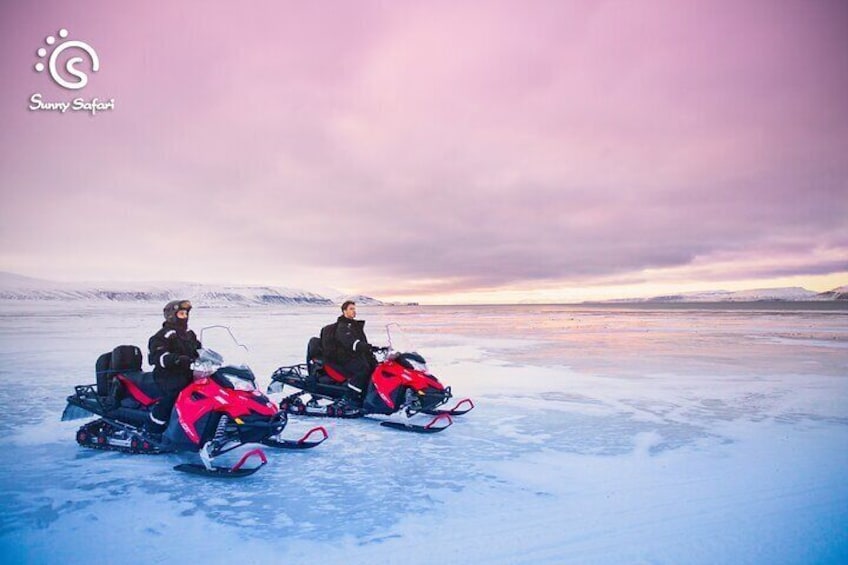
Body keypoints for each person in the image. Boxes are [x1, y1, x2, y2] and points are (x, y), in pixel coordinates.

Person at [145, 300, 201, 434]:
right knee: (176, 394)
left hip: (187, 372)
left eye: (186, 314)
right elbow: (157, 357)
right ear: (172, 316)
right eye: (181, 314)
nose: (185, 317)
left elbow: (198, 349)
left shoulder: (189, 335)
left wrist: (206, 356)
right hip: (167, 375)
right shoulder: (162, 335)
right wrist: (175, 359)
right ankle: (153, 429)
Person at [327, 300, 377, 403]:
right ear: (344, 311)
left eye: (354, 309)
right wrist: (365, 347)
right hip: (345, 356)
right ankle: (350, 397)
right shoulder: (343, 326)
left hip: (355, 354)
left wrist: (372, 349)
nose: (354, 311)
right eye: (351, 309)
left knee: (375, 366)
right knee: (363, 369)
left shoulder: (354, 325)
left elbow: (361, 341)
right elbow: (350, 342)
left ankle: (370, 395)